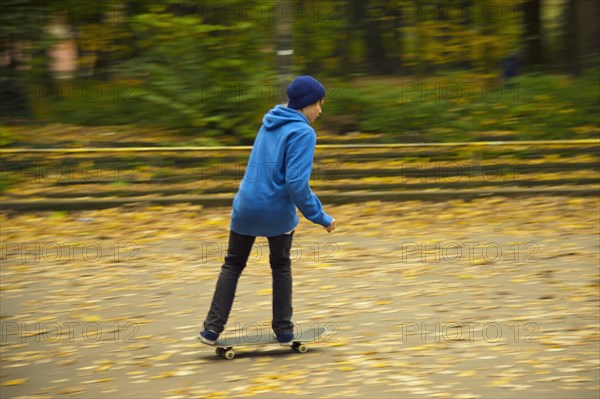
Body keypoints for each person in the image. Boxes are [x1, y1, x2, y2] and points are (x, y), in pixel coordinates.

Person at [198, 75, 336, 345]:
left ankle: (211, 330)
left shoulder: (270, 122)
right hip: (275, 212)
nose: (320, 110)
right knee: (281, 265)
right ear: (307, 104)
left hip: (246, 205)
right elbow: (296, 184)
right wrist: (320, 217)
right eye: (319, 104)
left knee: (233, 264)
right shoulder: (303, 132)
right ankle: (284, 331)